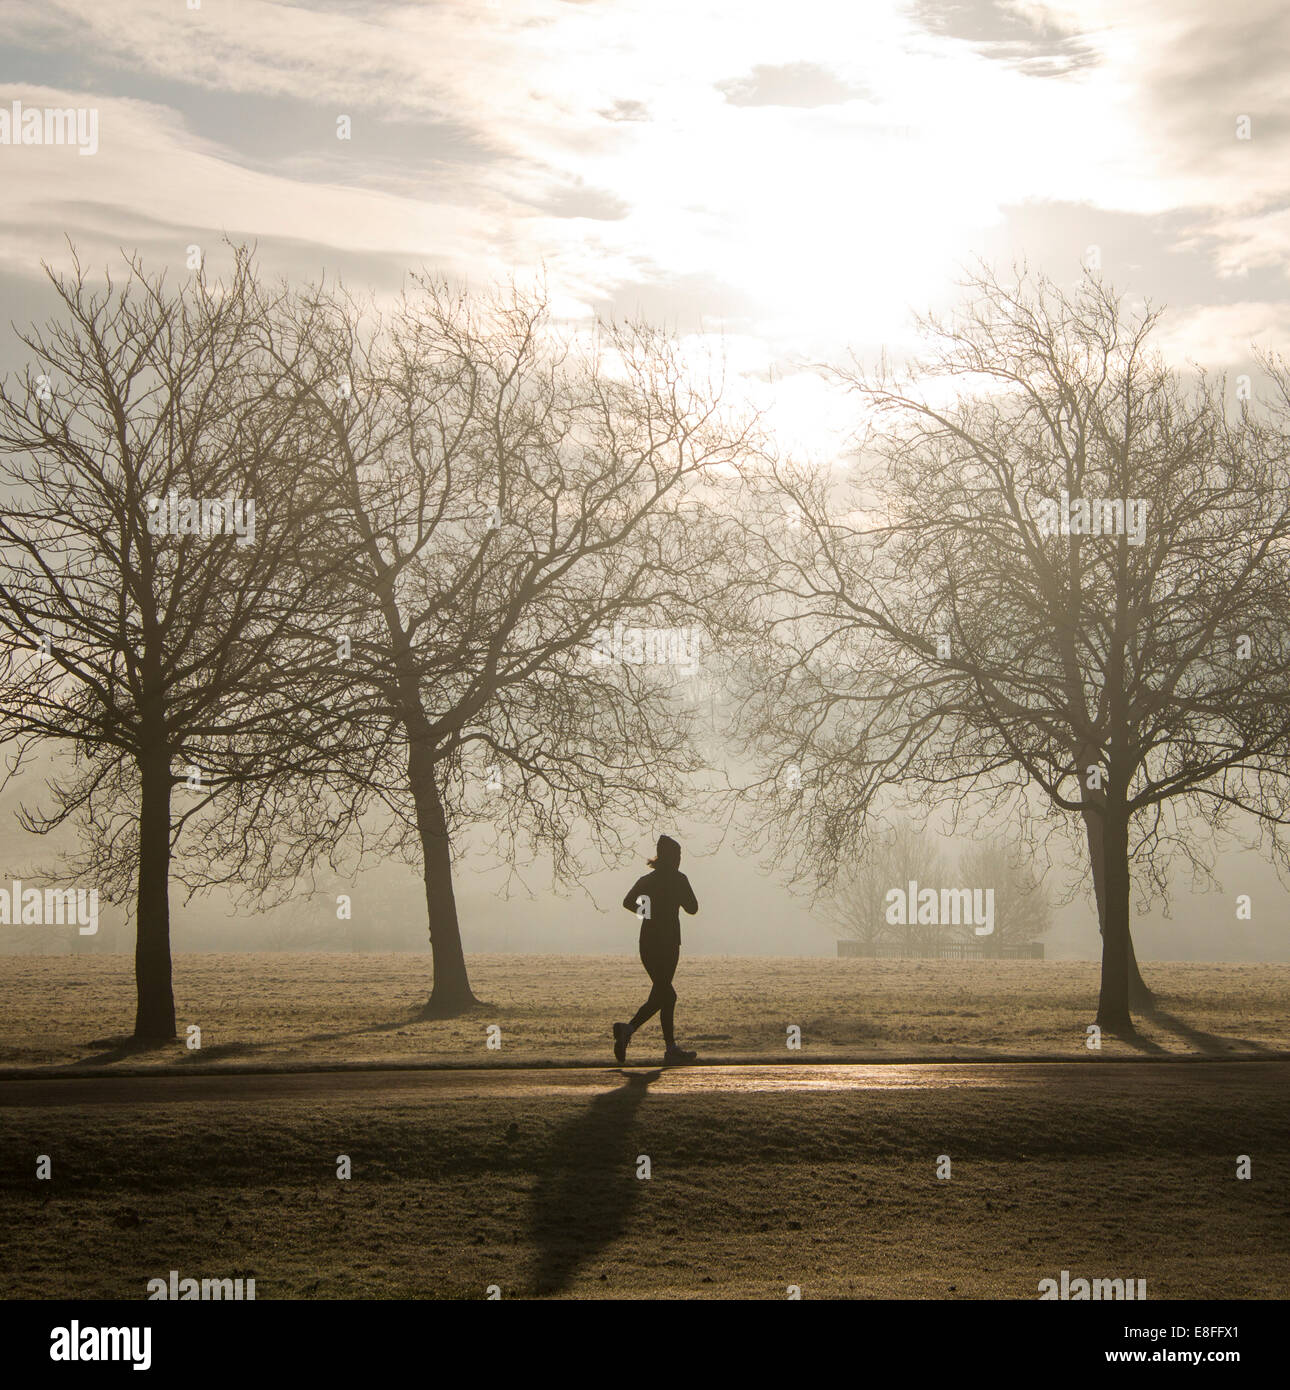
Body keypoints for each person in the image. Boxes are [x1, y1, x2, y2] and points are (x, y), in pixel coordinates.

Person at [613, 834, 698, 1064]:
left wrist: (648, 913)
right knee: (667, 994)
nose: (680, 859)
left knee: (664, 995)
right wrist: (667, 904)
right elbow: (693, 908)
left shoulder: (647, 880)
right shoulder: (679, 880)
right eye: (677, 855)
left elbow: (628, 902)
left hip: (650, 942)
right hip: (667, 943)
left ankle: (662, 1044)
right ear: (669, 856)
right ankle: (630, 1031)